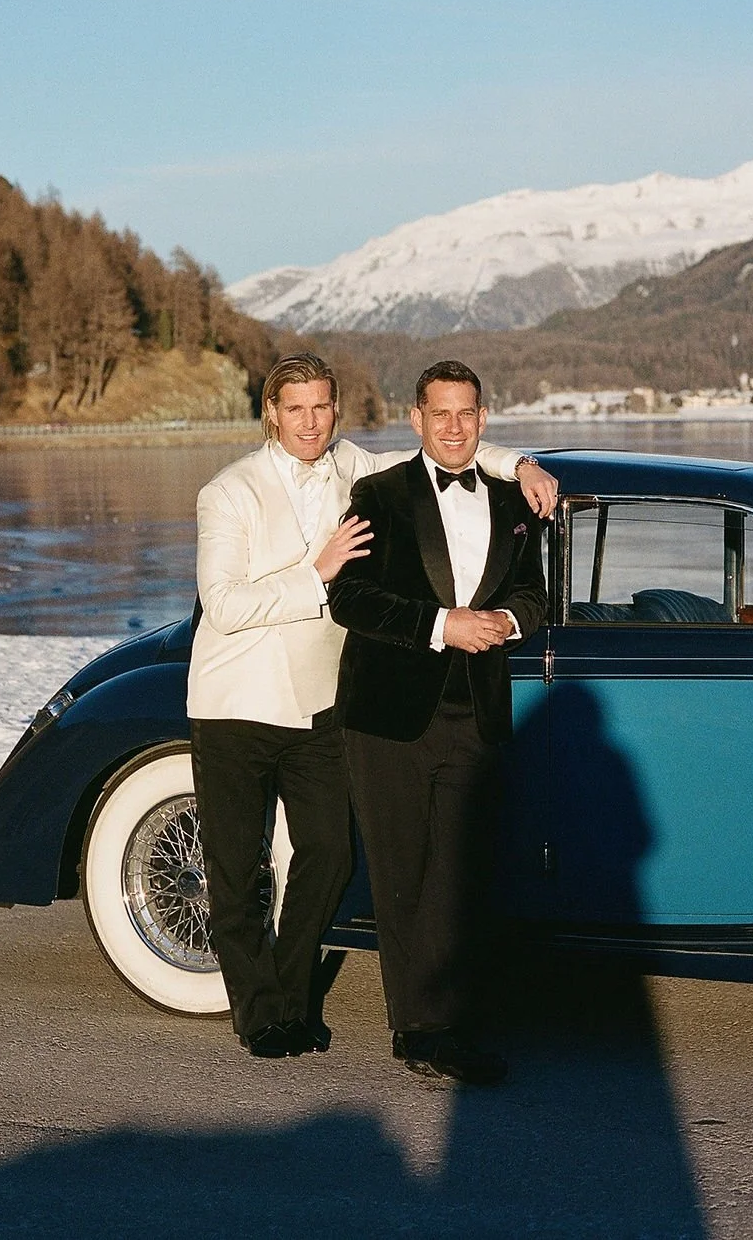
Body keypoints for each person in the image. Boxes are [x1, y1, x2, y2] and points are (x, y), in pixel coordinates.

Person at [188, 352, 556, 1060]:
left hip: (324, 701)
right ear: (271, 412)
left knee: (327, 856)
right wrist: (316, 572)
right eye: (295, 408)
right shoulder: (228, 490)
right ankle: (262, 1013)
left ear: (336, 410)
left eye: (322, 407)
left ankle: (290, 998)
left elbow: (442, 444)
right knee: (236, 870)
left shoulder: (352, 467)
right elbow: (223, 606)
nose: (310, 421)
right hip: (238, 698)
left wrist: (525, 465)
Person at [328, 359, 548, 1086]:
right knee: (403, 872)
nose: (454, 428)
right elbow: (350, 598)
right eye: (439, 414)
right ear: (416, 420)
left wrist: (508, 620)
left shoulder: (514, 501)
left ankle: (449, 1021)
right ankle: (420, 1031)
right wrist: (441, 625)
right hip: (389, 713)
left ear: (484, 421)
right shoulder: (378, 494)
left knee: (462, 868)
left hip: (475, 709)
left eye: (467, 414)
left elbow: (532, 594)